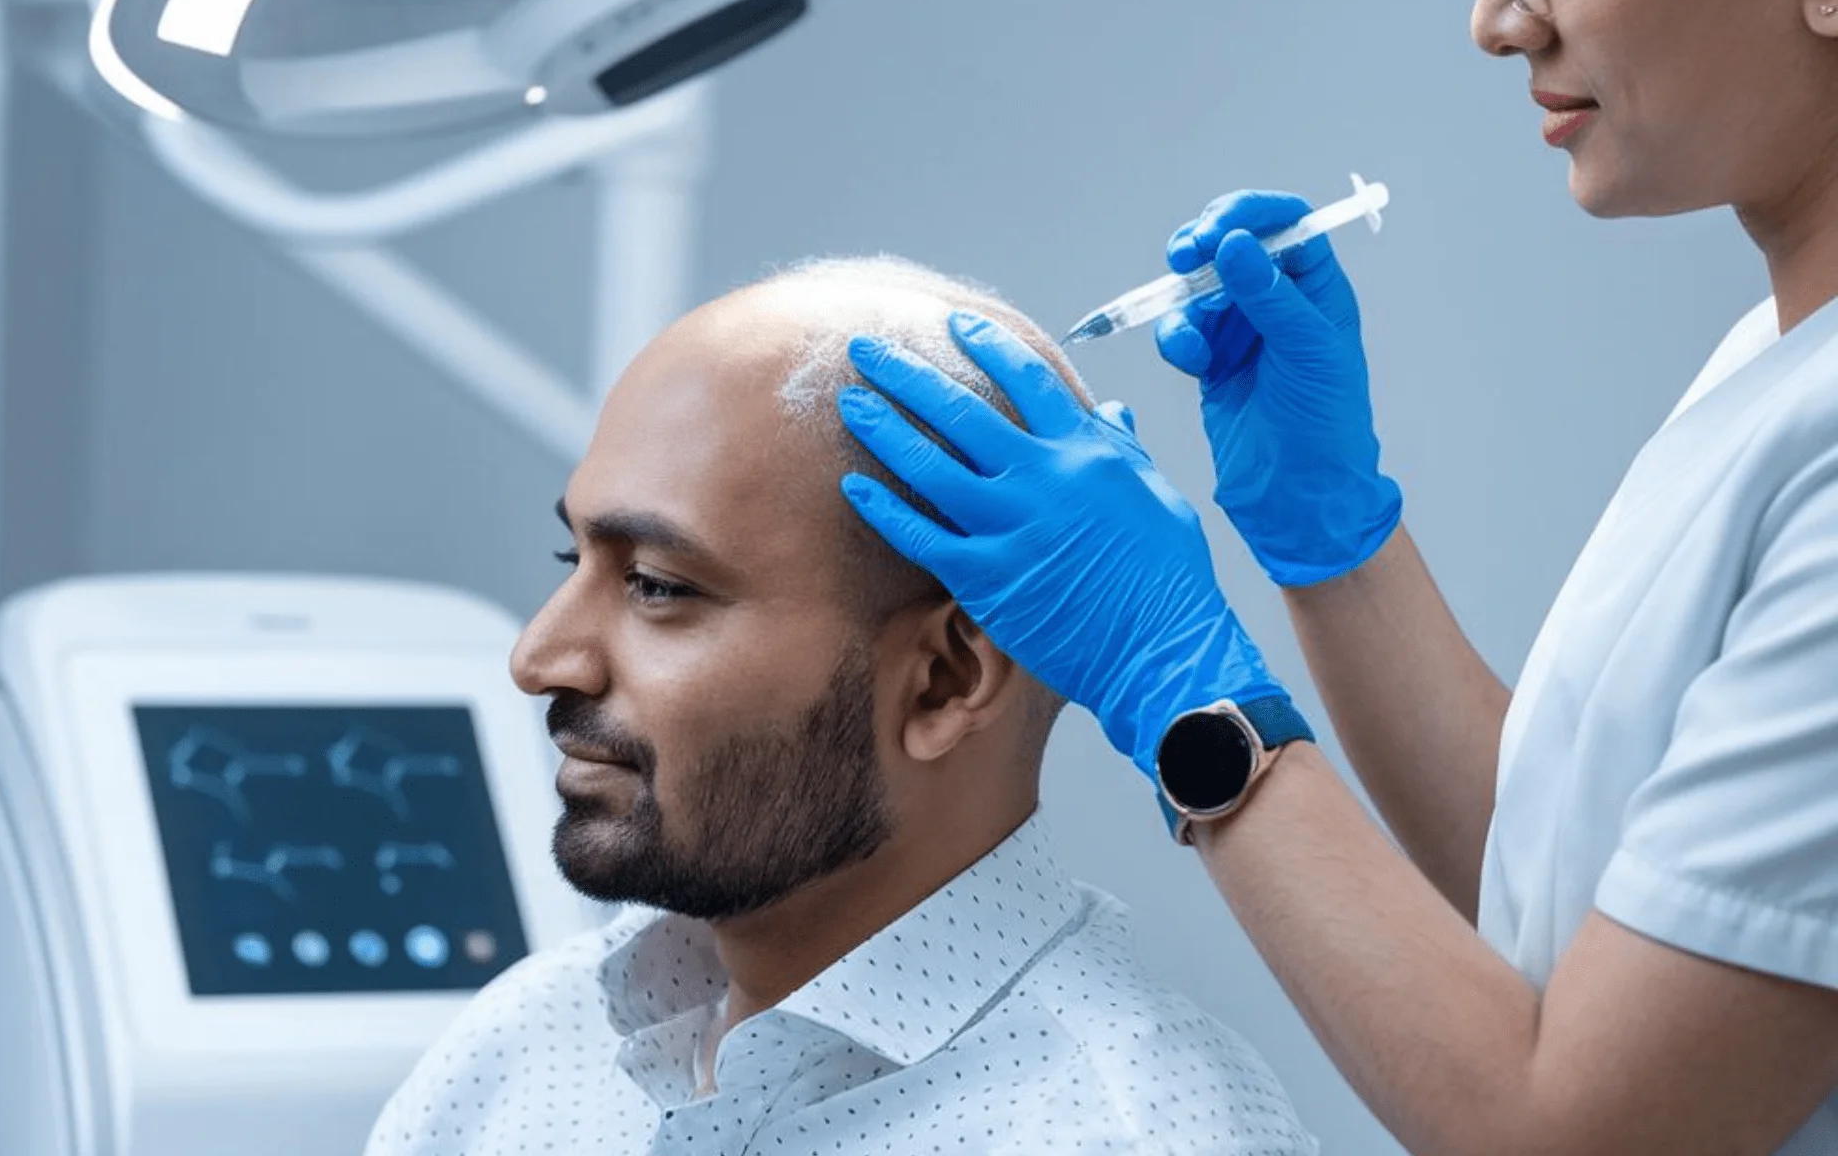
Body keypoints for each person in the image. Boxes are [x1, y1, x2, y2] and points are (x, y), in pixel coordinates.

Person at [833, 0, 1838, 1154]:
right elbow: (1584, 911)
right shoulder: (1780, 357)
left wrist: (1178, 686)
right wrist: (1333, 541)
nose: (1499, 18)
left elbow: (1584, 1131)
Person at [363, 257, 1316, 1156]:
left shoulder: (1125, 1132)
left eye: (655, 585)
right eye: (576, 561)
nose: (537, 657)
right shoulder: (525, 1046)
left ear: (944, 679)